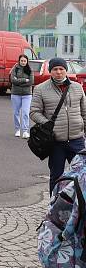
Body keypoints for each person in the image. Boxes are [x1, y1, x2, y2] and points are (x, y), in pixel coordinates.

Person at [30, 57, 86, 194]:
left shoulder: (77, 88)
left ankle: (79, 208)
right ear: (50, 71)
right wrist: (47, 125)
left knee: (82, 175)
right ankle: (54, 207)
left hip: (77, 140)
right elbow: (34, 112)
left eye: (61, 69)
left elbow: (84, 112)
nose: (59, 72)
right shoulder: (40, 89)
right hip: (56, 142)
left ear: (66, 70)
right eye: (55, 69)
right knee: (56, 176)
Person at [10, 54, 33, 139]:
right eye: (22, 61)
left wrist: (18, 83)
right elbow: (12, 80)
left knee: (25, 113)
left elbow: (31, 82)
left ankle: (25, 131)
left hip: (27, 95)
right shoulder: (15, 69)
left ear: (27, 61)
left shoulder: (30, 70)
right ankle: (17, 129)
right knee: (16, 112)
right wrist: (24, 80)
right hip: (15, 94)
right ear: (19, 61)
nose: (23, 62)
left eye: (24, 61)